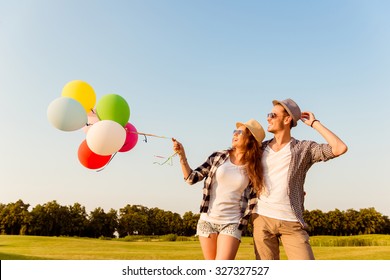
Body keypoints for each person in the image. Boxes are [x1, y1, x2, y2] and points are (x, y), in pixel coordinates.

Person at [252, 98, 348, 260]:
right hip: (261, 218)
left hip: (291, 220)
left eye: (273, 115)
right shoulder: (260, 148)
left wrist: (315, 123)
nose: (268, 118)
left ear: (287, 119)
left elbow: (339, 148)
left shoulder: (304, 149)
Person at [172, 119, 265, 260]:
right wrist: (182, 155)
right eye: (235, 131)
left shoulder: (254, 168)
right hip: (207, 220)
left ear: (250, 139)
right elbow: (191, 178)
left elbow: (261, 193)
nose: (235, 134)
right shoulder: (218, 156)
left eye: (240, 132)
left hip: (232, 222)